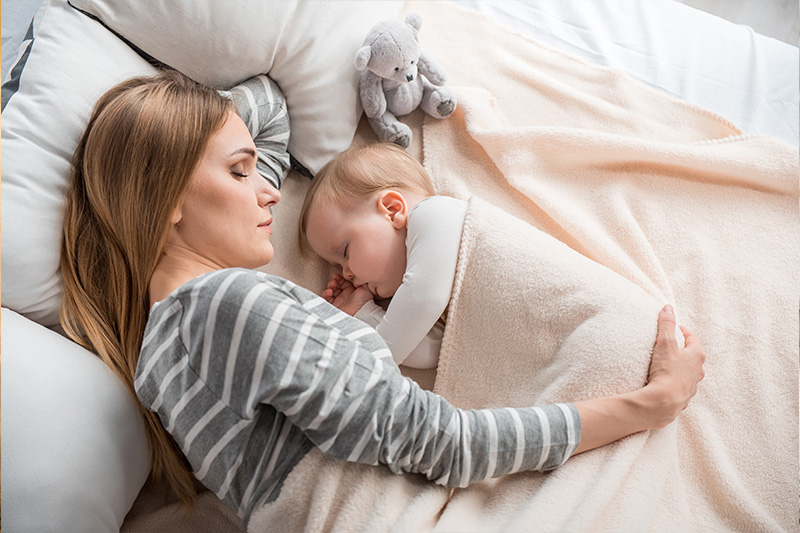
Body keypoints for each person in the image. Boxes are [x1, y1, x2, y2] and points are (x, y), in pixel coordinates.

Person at [60, 69, 705, 530]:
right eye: (238, 171)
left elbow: (272, 113)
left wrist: (188, 131)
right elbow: (450, 446)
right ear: (166, 199)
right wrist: (650, 404)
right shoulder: (233, 305)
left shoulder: (156, 357)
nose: (270, 192)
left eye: (256, 169)